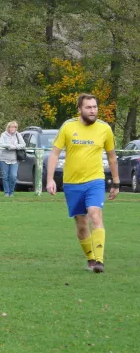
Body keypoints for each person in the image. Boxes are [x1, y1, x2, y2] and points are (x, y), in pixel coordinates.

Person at [46, 93, 119, 274]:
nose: (93, 110)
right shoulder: (68, 127)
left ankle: (100, 261)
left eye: (95, 107)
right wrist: (49, 180)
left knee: (95, 214)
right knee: (81, 225)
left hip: (95, 180)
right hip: (72, 183)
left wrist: (116, 182)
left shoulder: (105, 129)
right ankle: (91, 259)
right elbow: (54, 153)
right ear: (80, 109)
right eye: (89, 107)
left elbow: (112, 157)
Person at [0, 121, 26, 197]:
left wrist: (15, 146)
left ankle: (11, 192)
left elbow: (23, 144)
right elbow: (1, 144)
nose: (13, 128)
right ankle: (6, 192)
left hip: (15, 159)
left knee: (13, 176)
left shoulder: (18, 135)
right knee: (5, 176)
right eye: (11, 127)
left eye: (14, 127)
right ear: (8, 127)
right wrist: (9, 146)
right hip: (3, 158)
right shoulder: (3, 134)